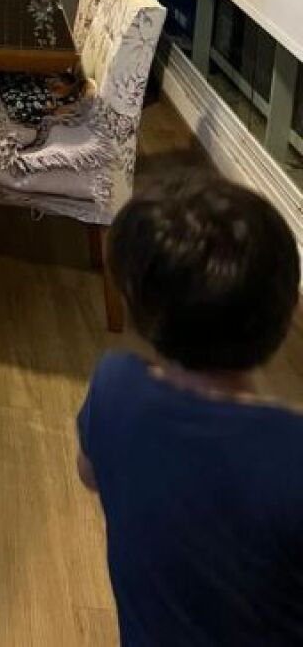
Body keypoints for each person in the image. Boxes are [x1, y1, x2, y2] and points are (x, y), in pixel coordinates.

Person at [76, 178, 303, 646]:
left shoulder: (114, 388)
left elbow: (89, 473)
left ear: (138, 305)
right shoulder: (289, 453)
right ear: (283, 318)